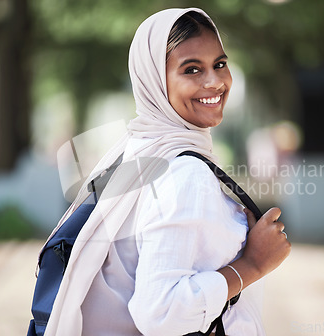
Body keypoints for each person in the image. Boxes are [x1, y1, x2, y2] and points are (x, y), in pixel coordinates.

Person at [43, 7, 291, 336]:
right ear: (156, 81)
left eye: (219, 64)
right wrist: (253, 264)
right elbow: (160, 312)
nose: (215, 82)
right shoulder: (185, 171)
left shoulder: (135, 152)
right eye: (192, 69)